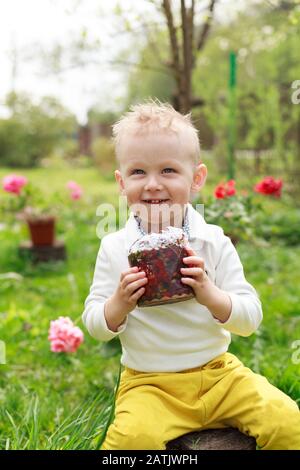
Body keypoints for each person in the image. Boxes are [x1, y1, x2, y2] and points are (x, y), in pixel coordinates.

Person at [82, 101, 300, 450]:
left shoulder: (212, 241)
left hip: (219, 375)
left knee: (288, 421)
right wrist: (118, 304)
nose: (153, 184)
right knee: (129, 443)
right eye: (138, 172)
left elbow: (250, 318)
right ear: (121, 183)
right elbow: (94, 324)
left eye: (168, 170)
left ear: (196, 178)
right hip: (148, 385)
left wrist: (209, 293)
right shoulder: (115, 248)